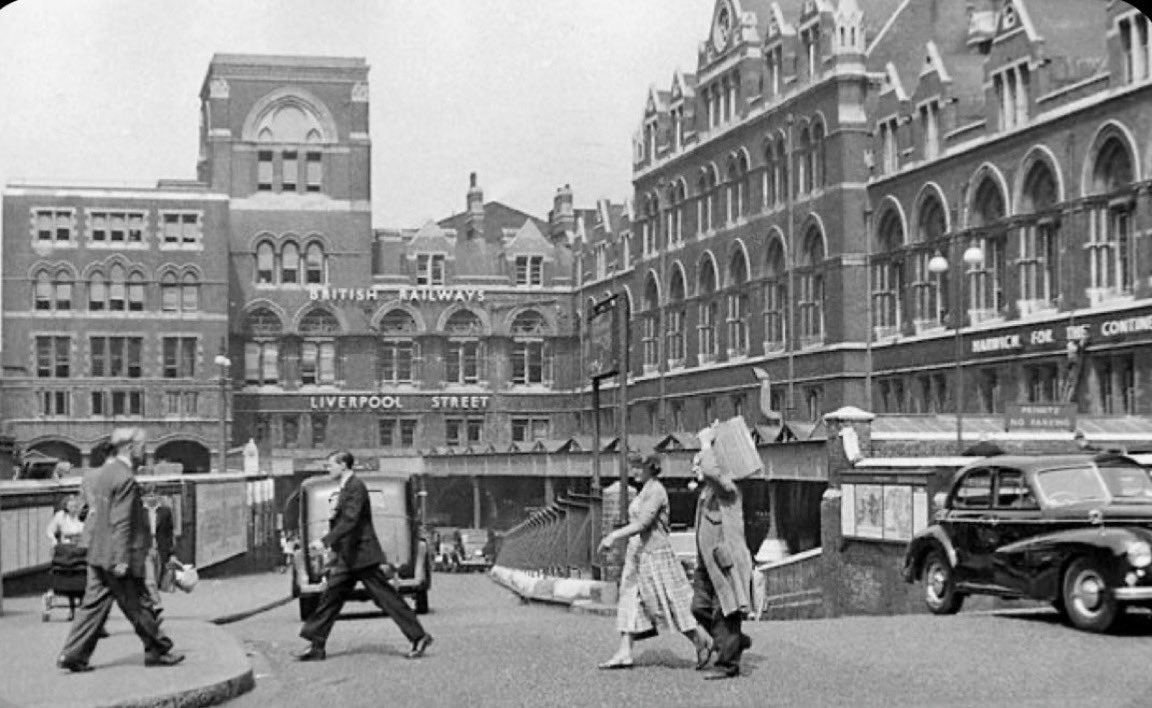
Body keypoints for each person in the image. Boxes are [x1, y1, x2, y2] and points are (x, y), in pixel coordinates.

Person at [56, 427, 184, 673]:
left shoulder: (103, 474)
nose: (144, 451)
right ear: (128, 447)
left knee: (92, 607)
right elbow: (122, 520)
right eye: (141, 446)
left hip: (97, 552)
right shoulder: (125, 478)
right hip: (118, 555)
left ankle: (72, 654)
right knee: (137, 604)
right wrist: (122, 559)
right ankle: (158, 649)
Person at [297, 450, 433, 661]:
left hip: (362, 555)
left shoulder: (356, 487)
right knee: (330, 598)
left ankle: (419, 636)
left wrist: (325, 542)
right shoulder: (345, 488)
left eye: (331, 464)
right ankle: (317, 645)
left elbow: (350, 521)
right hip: (349, 556)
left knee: (387, 598)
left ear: (343, 465)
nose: (328, 468)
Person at [596, 453, 712, 670]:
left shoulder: (657, 491)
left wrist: (613, 535)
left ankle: (701, 640)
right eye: (633, 467)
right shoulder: (645, 490)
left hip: (656, 554)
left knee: (669, 602)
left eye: (638, 467)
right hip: (639, 554)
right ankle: (624, 651)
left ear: (651, 467)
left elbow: (643, 523)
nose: (634, 472)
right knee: (629, 600)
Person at [691, 423, 754, 680]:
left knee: (724, 610)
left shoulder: (728, 489)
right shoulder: (707, 492)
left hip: (724, 563)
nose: (696, 467)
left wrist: (707, 443)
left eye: (699, 463)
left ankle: (728, 663)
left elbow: (711, 471)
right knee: (698, 607)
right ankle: (734, 640)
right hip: (707, 563)